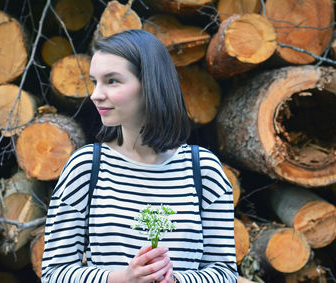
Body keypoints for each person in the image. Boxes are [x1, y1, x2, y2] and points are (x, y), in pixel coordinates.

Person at [42, 29, 238, 283]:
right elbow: (53, 274)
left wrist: (177, 281)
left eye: (112, 81)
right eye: (95, 81)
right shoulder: (86, 168)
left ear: (150, 84)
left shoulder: (204, 171)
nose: (95, 94)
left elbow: (226, 273)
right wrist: (123, 279)